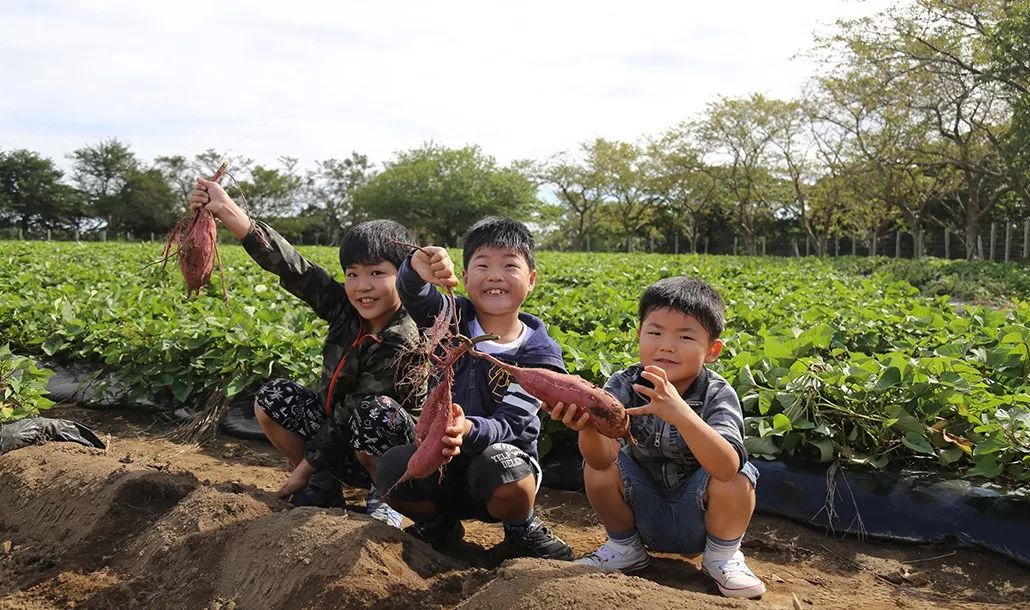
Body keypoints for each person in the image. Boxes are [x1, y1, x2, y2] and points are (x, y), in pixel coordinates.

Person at [187, 177, 425, 528]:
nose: (362, 286)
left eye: (377, 273)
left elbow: (352, 413)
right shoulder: (345, 308)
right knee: (272, 398)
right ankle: (323, 488)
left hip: (397, 453)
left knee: (377, 412)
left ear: (404, 276)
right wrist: (224, 209)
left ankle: (387, 497)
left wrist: (302, 468)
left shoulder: (403, 335)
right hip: (337, 444)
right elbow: (291, 266)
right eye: (353, 274)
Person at [545, 276, 766, 598]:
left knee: (741, 473)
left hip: (700, 517)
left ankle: (723, 558)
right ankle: (625, 549)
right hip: (643, 510)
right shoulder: (622, 385)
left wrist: (682, 414)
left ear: (712, 350)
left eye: (685, 336)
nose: (666, 345)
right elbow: (601, 459)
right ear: (639, 336)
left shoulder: (717, 393)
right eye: (655, 332)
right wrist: (588, 428)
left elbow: (726, 467)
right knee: (599, 468)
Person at [375, 216, 574, 560]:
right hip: (444, 464)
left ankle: (520, 527)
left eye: (509, 266)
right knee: (393, 468)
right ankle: (439, 523)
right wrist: (415, 266)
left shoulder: (540, 353)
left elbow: (512, 423)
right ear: (465, 279)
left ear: (532, 281)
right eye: (483, 265)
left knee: (499, 462)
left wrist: (467, 428)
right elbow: (413, 292)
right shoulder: (449, 318)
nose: (495, 275)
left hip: (503, 471)